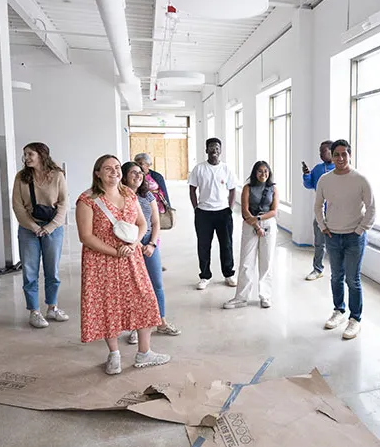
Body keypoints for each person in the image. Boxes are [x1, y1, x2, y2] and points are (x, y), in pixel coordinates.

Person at [76, 155, 170, 375]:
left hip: (131, 257)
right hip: (101, 260)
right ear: (97, 172)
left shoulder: (128, 194)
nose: (114, 172)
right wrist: (115, 251)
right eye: (108, 169)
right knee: (108, 305)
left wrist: (134, 243)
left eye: (117, 168)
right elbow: (86, 236)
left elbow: (142, 223)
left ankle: (144, 352)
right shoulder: (87, 200)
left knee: (145, 298)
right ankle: (114, 354)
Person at [314, 139, 375, 340]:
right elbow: (317, 206)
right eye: (336, 154)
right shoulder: (324, 179)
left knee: (353, 279)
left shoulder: (360, 179)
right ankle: (338, 311)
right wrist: (323, 226)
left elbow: (371, 207)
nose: (340, 158)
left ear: (350, 155)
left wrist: (360, 230)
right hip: (332, 235)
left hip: (354, 238)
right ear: (331, 156)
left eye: (344, 154)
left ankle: (355, 318)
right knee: (336, 276)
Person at [120, 162, 181, 344]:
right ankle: (135, 327)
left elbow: (155, 222)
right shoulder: (120, 197)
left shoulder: (147, 196)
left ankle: (161, 322)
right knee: (133, 287)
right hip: (130, 246)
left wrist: (152, 244)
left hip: (148, 243)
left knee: (156, 285)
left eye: (140, 173)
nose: (138, 176)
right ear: (124, 176)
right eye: (133, 173)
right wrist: (134, 245)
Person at [12, 142, 70, 328]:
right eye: (25, 154)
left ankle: (52, 308)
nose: (27, 158)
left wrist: (51, 227)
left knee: (52, 270)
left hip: (53, 228)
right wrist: (33, 227)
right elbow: (17, 206)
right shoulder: (21, 177)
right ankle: (34, 311)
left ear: (42, 155)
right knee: (30, 271)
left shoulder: (57, 175)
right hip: (29, 229)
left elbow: (63, 203)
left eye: (31, 154)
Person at [223, 161, 280, 309]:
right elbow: (245, 211)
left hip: (267, 223)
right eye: (260, 171)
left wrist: (260, 219)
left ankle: (265, 296)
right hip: (250, 224)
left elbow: (274, 211)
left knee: (266, 262)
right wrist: (255, 225)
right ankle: (241, 297)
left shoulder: (273, 188)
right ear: (255, 173)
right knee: (246, 262)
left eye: (266, 172)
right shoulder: (248, 188)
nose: (263, 174)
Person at [189, 138, 238, 290]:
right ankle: (204, 276)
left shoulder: (226, 168)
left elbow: (232, 189)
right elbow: (192, 189)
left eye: (217, 147)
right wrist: (196, 208)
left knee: (227, 244)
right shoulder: (199, 168)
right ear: (206, 150)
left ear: (220, 150)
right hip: (203, 213)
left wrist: (230, 208)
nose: (214, 150)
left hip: (223, 213)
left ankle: (228, 274)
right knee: (203, 245)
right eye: (211, 147)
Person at [302, 140, 335, 280]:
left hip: (337, 214)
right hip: (321, 213)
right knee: (319, 243)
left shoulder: (339, 169)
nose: (320, 154)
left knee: (336, 245)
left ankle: (340, 271)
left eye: (323, 151)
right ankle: (317, 269)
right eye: (319, 151)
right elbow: (309, 185)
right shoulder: (318, 168)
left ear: (331, 151)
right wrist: (307, 175)